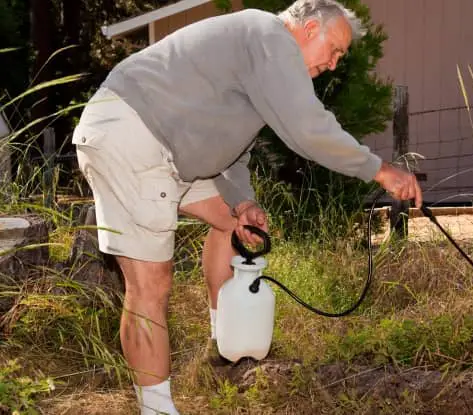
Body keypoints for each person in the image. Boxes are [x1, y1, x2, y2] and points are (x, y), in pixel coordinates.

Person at [71, 0, 423, 414]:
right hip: (131, 133)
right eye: (335, 51)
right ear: (310, 29)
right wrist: (381, 171)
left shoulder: (259, 54)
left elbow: (233, 148)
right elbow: (308, 129)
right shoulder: (267, 36)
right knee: (151, 285)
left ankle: (223, 346)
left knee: (229, 221)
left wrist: (243, 202)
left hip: (168, 148)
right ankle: (157, 409)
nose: (333, 65)